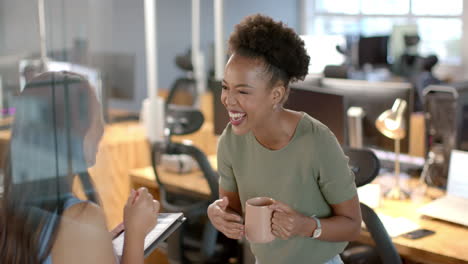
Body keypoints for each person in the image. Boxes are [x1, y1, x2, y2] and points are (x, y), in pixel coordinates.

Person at [207, 14, 362, 264]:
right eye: (226, 87)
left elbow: (353, 226)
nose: (228, 99)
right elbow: (233, 210)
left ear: (276, 94)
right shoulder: (230, 142)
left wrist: (305, 225)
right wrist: (217, 214)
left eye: (243, 91)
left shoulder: (317, 140)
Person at [0, 71, 159, 264]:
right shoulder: (80, 220)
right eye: (96, 117)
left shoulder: (9, 207)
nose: (102, 128)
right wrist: (135, 235)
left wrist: (99, 245)